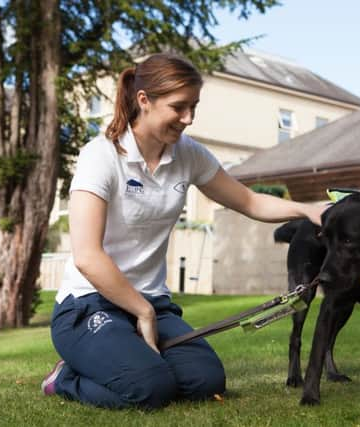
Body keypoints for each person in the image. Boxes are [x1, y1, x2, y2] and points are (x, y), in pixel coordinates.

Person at [41, 53, 325, 409]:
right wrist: (142, 312)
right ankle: (65, 377)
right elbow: (87, 256)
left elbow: (250, 202)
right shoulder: (101, 156)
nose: (188, 119)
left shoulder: (188, 155)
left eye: (194, 107)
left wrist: (308, 210)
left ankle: (125, 359)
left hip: (153, 305)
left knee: (205, 381)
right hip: (89, 303)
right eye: (179, 107)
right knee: (151, 389)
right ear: (144, 101)